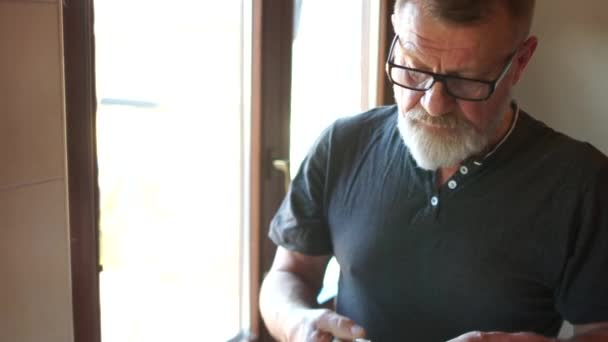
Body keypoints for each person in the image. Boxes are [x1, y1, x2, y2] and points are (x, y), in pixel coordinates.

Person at [259, 0, 608, 341]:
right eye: (413, 69)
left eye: (467, 81)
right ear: (396, 32)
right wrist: (297, 323)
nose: (433, 104)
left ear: (521, 61)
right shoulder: (343, 144)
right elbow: (289, 273)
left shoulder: (582, 182)